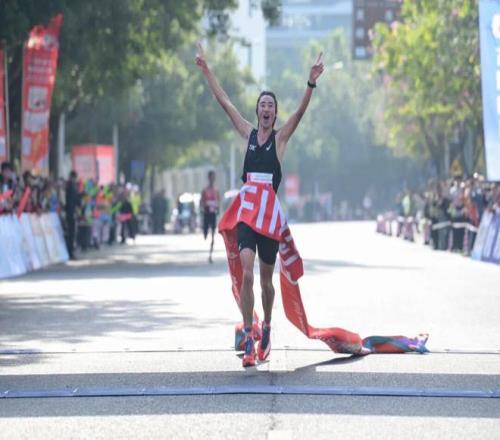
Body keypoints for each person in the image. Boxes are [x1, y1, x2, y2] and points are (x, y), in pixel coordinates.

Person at [196, 42, 324, 367]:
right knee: (247, 274)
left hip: (269, 217)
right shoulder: (248, 134)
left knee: (267, 281)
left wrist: (310, 83)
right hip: (246, 212)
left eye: (271, 106)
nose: (266, 109)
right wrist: (207, 70)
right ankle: (249, 336)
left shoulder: (280, 140)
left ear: (275, 113)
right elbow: (225, 103)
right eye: (262, 104)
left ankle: (266, 325)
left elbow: (300, 114)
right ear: (257, 111)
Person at [200, 170, 220, 263]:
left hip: (213, 214)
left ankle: (210, 254)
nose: (213, 179)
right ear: (209, 178)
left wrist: (217, 208)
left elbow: (218, 201)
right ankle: (205, 232)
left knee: (213, 234)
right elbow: (201, 201)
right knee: (205, 233)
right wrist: (204, 207)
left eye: (214, 177)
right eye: (211, 177)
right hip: (206, 213)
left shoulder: (216, 190)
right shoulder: (205, 190)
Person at [65, 170, 80, 260]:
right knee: (71, 233)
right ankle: (70, 252)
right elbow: (71, 201)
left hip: (71, 212)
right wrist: (74, 211)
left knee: (72, 233)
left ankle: (71, 252)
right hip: (71, 213)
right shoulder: (71, 187)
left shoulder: (72, 186)